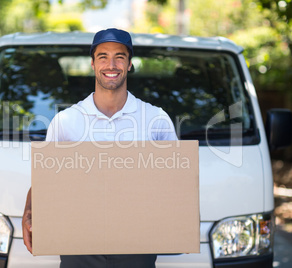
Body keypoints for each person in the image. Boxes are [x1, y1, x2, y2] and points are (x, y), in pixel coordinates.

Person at [22, 28, 178, 268]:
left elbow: (176, 182)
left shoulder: (155, 119)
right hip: (79, 244)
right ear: (93, 64)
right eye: (103, 57)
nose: (111, 64)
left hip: (137, 245)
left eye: (120, 56)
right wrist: (29, 211)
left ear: (129, 65)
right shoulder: (66, 121)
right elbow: (45, 178)